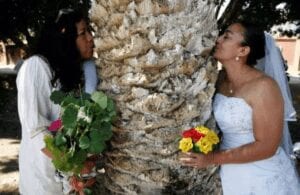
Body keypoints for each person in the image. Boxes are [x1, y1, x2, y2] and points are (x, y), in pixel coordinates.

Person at [180, 21, 300, 194]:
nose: (218, 39)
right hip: (229, 172)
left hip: (262, 174)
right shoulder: (220, 79)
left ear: (243, 51)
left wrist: (212, 158)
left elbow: (267, 146)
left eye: (226, 37)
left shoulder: (264, 87)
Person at [16, 8, 94, 194]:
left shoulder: (74, 74)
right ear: (64, 36)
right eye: (83, 33)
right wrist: (73, 166)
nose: (91, 39)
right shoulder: (36, 67)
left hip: (68, 184)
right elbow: (37, 130)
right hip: (42, 183)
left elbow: (66, 126)